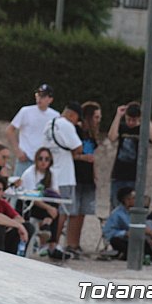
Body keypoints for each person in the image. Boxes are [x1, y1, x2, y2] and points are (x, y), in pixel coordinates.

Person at [41, 101, 83, 256]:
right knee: (62, 211)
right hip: (65, 175)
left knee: (50, 210)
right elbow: (78, 147)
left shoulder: (49, 124)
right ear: (72, 114)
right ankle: (55, 244)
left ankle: (44, 245)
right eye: (77, 118)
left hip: (50, 174)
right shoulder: (67, 125)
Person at [108, 101, 152, 210]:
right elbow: (112, 137)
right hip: (119, 173)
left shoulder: (143, 129)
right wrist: (118, 116)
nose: (131, 122)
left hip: (135, 175)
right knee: (115, 204)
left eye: (134, 120)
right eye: (128, 119)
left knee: (133, 205)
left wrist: (146, 118)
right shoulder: (122, 127)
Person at [20, 147, 69, 259]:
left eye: (46, 159)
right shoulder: (30, 173)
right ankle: (51, 243)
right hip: (30, 206)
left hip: (45, 206)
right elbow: (31, 197)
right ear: (36, 159)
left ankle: (47, 228)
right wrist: (48, 208)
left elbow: (56, 193)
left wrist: (50, 200)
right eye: (40, 158)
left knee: (55, 206)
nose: (43, 162)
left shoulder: (51, 174)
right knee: (53, 210)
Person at [67, 101, 101, 258]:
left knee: (83, 212)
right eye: (96, 117)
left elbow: (93, 156)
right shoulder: (76, 130)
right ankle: (70, 243)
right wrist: (82, 157)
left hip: (87, 176)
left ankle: (76, 243)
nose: (98, 120)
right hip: (76, 174)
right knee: (73, 211)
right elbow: (71, 154)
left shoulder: (91, 135)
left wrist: (94, 173)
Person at [5, 84, 59, 177]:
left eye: (43, 96)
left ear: (50, 99)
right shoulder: (26, 111)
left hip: (43, 161)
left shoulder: (55, 116)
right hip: (25, 159)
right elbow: (10, 130)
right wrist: (18, 151)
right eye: (38, 95)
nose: (39, 99)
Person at [103, 186, 135, 260]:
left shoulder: (138, 212)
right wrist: (124, 233)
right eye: (133, 198)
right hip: (123, 239)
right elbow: (108, 232)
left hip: (136, 239)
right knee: (116, 241)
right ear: (126, 200)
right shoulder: (117, 213)